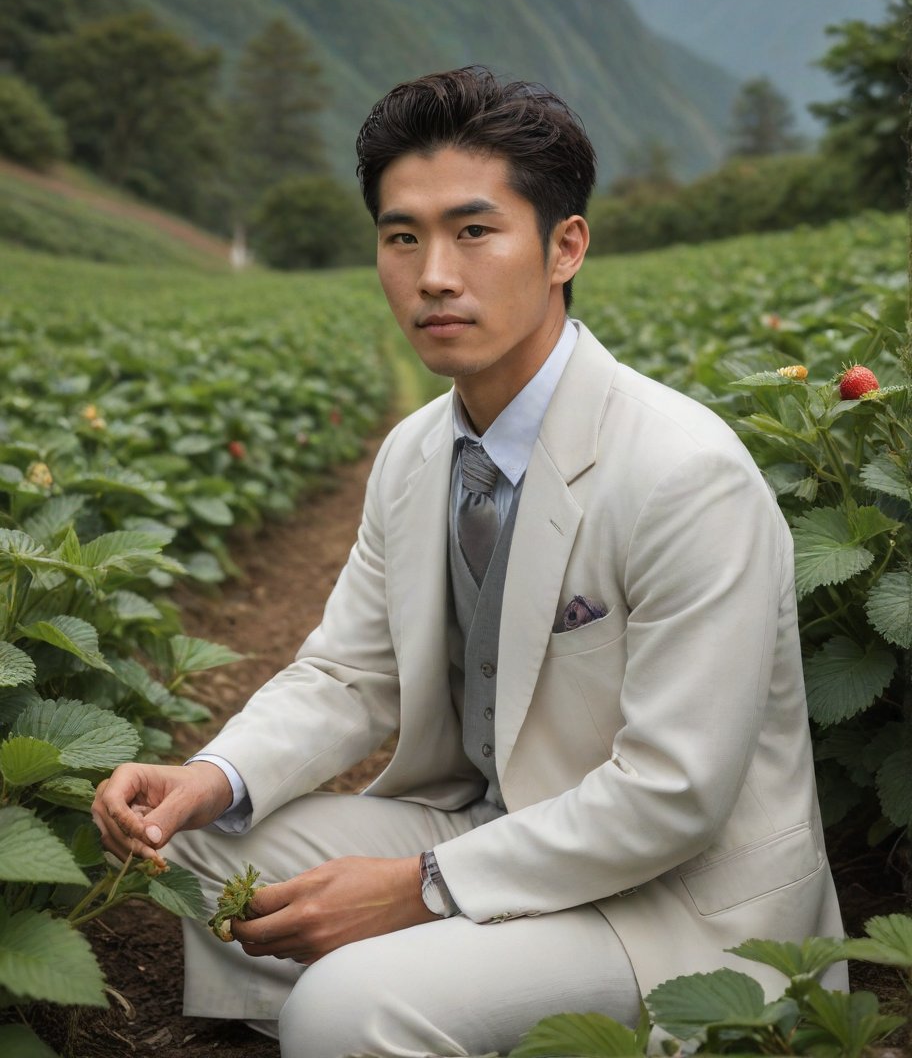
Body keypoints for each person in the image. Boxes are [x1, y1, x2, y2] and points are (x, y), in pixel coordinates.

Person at [93, 66, 846, 1058]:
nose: (433, 272)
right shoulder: (415, 452)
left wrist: (412, 889)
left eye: (474, 230)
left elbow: (674, 794)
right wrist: (209, 773)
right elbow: (350, 670)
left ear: (564, 244)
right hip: (491, 828)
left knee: (344, 1005)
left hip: (671, 901)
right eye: (402, 235)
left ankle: (360, 1018)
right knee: (197, 841)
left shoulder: (681, 469)